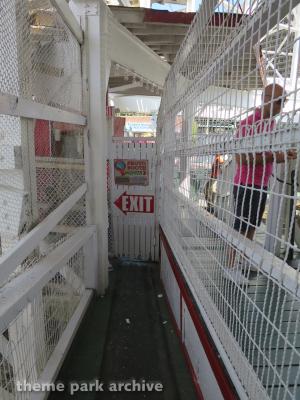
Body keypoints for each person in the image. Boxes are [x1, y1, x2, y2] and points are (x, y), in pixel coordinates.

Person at [227, 83, 297, 283]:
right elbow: (241, 159)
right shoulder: (249, 124)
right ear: (264, 99)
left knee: (251, 226)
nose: (279, 107)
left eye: (282, 102)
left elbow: (265, 155)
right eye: (277, 102)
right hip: (246, 184)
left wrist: (280, 155)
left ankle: (243, 259)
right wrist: (277, 156)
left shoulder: (271, 125)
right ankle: (231, 266)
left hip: (260, 183)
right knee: (241, 226)